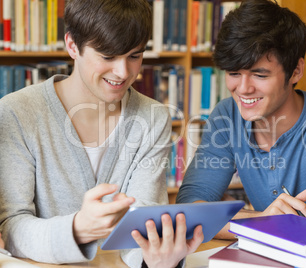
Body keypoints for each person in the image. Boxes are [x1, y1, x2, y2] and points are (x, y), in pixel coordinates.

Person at [0, 0, 202, 267]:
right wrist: (77, 229)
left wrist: (156, 260)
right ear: (72, 45)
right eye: (107, 56)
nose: (123, 72)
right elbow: (11, 227)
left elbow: (143, 222)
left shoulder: (153, 117)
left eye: (135, 56)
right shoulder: (16, 113)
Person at [176, 0, 306, 251]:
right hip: (272, 256)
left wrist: (232, 222)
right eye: (233, 73)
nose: (243, 89)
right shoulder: (226, 116)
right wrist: (263, 220)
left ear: (296, 71)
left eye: (259, 75)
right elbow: (188, 209)